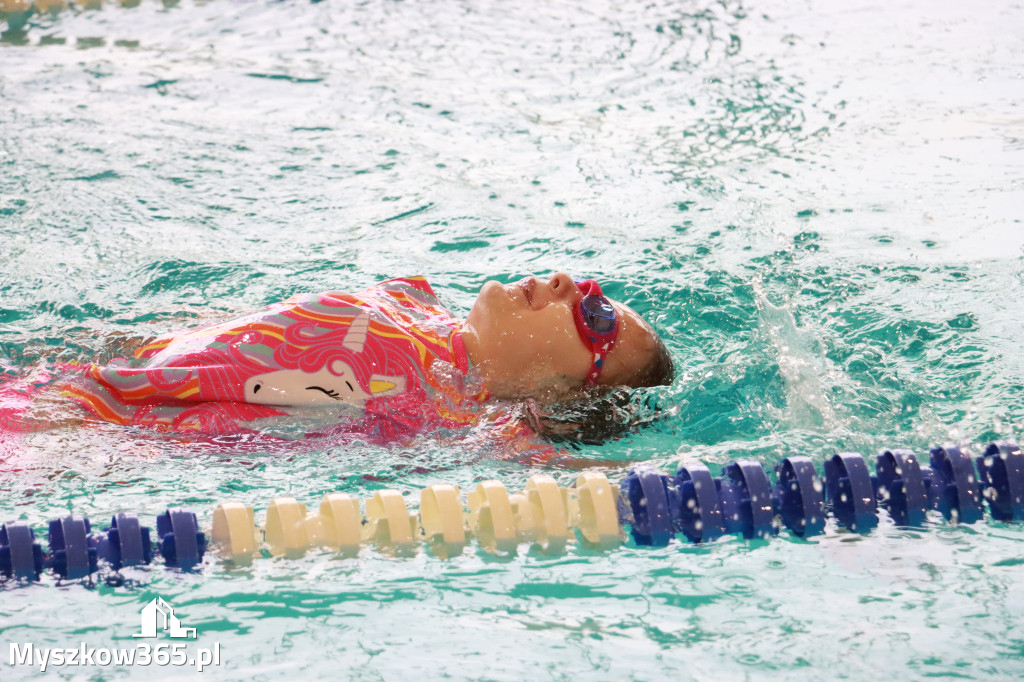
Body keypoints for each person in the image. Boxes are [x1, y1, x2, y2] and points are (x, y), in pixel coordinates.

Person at [3, 273, 673, 458]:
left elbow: (569, 476)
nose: (565, 282)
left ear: (558, 396)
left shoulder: (459, 413)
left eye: (597, 317)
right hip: (69, 377)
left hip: (69, 431)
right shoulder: (419, 304)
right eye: (587, 287)